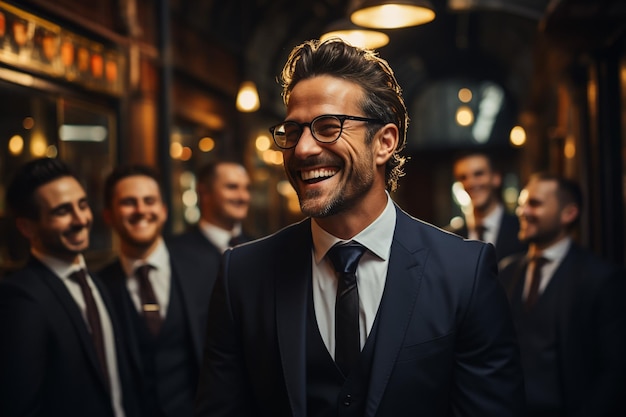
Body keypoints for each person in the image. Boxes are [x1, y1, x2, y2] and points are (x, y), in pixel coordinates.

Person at [194, 38, 524, 417]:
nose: (302, 150)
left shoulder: (465, 272)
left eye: (328, 127)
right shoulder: (242, 274)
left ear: (384, 142)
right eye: (292, 131)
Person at [0, 157, 138, 417]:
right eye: (62, 211)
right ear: (26, 227)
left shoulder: (96, 282)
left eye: (83, 205)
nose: (81, 219)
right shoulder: (20, 297)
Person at [499, 172, 626, 417]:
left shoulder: (602, 279)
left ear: (569, 213)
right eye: (523, 203)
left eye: (534, 204)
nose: (522, 211)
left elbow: (615, 371)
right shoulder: (506, 271)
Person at [99, 165, 216, 417]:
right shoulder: (99, 286)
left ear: (163, 211)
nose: (141, 210)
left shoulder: (207, 268)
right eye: (129, 202)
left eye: (149, 201)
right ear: (108, 215)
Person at [451, 150, 526, 261]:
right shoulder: (452, 238)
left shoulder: (522, 230)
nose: (471, 183)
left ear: (496, 178)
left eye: (478, 174)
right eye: (463, 177)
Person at [171, 159, 251, 256]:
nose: (243, 197)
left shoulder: (259, 249)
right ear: (204, 192)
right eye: (232, 187)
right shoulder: (175, 251)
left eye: (247, 188)